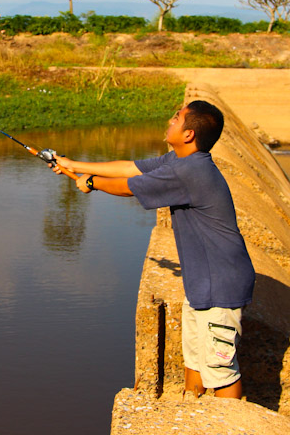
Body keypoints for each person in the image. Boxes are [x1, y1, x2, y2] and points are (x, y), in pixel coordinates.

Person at [52, 100, 256, 399]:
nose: (169, 121)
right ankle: (193, 418)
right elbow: (130, 167)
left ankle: (227, 424)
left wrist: (92, 183)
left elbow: (127, 185)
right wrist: (73, 164)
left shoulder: (190, 171)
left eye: (176, 118)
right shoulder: (180, 161)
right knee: (195, 361)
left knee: (220, 371)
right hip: (203, 282)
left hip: (220, 286)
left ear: (188, 134)